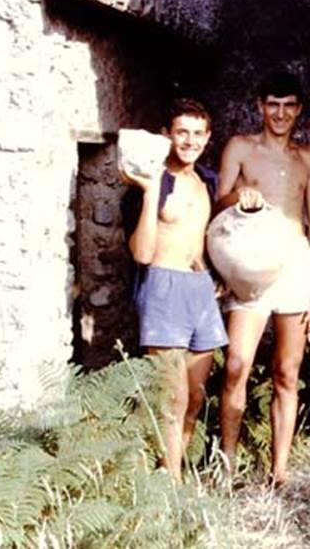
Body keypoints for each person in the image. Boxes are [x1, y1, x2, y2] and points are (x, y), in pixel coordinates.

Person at [215, 72, 310, 485]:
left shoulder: (308, 159)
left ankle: (279, 469)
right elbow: (218, 203)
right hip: (251, 260)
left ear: (298, 110)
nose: (280, 114)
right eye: (272, 105)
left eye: (288, 106)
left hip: (296, 262)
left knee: (287, 369)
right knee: (237, 364)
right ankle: (225, 465)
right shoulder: (241, 147)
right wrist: (238, 198)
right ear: (260, 106)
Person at [122, 98, 227, 483]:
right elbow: (143, 252)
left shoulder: (207, 181)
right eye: (182, 132)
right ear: (166, 134)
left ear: (208, 137)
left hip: (199, 290)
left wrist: (214, 271)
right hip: (163, 286)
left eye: (198, 134)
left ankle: (171, 469)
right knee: (173, 397)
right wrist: (149, 193)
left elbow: (208, 237)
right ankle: (174, 483)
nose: (189, 141)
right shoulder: (150, 181)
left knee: (196, 397)